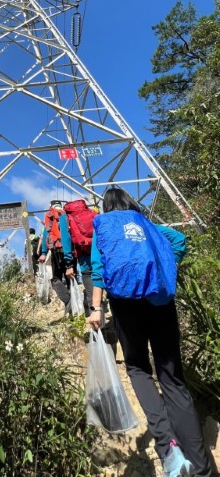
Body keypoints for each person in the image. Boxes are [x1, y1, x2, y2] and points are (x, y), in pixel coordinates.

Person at [89, 187, 213, 477]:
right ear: (131, 203)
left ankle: (168, 446)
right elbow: (179, 240)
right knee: (173, 379)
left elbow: (98, 268)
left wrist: (96, 308)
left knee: (138, 368)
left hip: (125, 304)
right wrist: (167, 268)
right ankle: (201, 468)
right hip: (160, 301)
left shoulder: (104, 225)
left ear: (107, 207)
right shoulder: (148, 226)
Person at [38, 200, 76, 312]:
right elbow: (67, 235)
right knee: (70, 278)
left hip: (56, 251)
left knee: (55, 279)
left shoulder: (50, 216)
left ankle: (68, 302)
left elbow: (46, 235)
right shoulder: (67, 215)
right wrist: (69, 257)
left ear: (51, 206)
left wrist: (44, 253)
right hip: (70, 249)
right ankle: (74, 305)